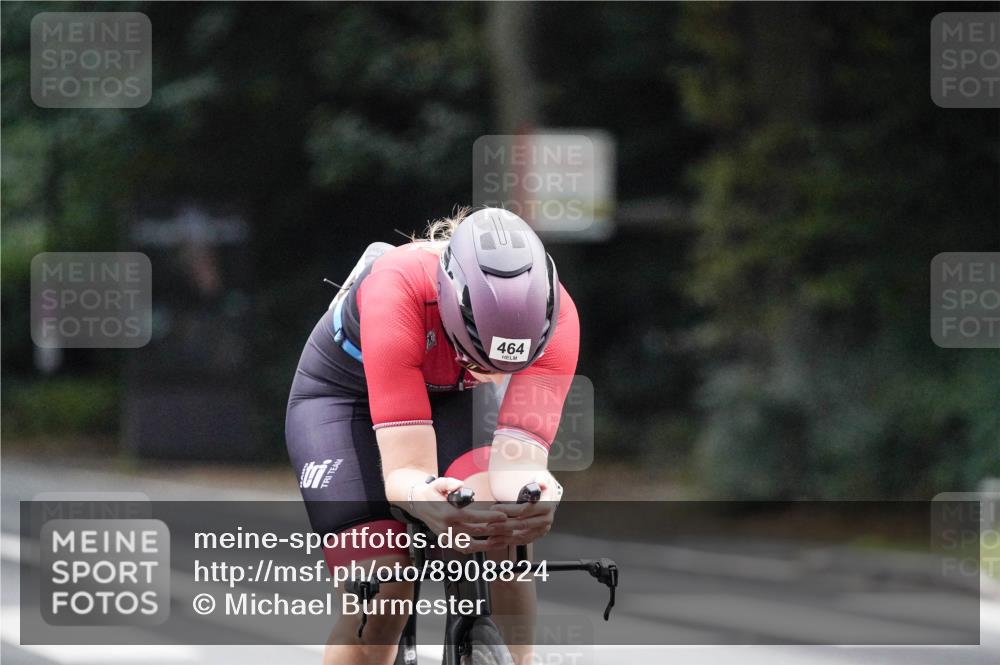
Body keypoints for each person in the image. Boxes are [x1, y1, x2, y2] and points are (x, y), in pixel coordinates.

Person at [286, 207, 580, 665]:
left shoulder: (558, 319)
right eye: (479, 356)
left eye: (505, 369)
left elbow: (521, 460)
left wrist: (539, 493)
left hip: (451, 397)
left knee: (505, 528)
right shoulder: (398, 289)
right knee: (384, 584)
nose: (490, 373)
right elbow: (407, 471)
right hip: (344, 400)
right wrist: (425, 496)